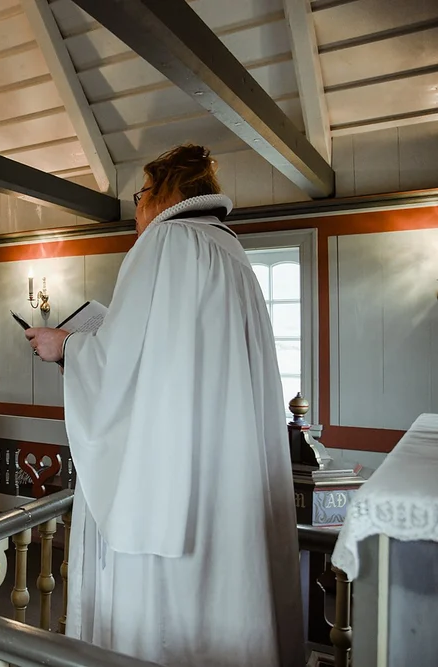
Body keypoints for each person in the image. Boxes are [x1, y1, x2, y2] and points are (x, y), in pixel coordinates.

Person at [25, 145, 305, 667]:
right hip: (223, 471)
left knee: (161, 617)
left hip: (170, 480)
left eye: (140, 195)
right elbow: (169, 362)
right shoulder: (230, 250)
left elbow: (121, 365)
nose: (136, 208)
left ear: (160, 194)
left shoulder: (165, 242)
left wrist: (66, 346)